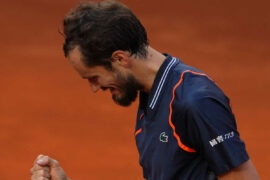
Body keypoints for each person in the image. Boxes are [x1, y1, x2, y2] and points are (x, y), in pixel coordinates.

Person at [30, 0, 259, 179]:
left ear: (119, 58)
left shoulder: (194, 101)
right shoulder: (153, 96)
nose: (94, 88)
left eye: (94, 77)